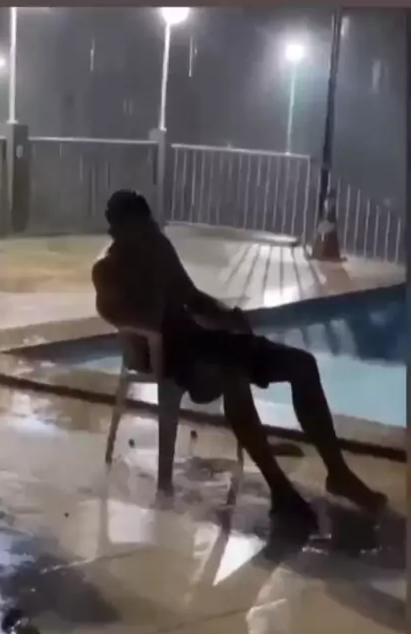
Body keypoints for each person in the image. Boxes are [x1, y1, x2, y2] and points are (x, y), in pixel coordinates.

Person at [92, 189, 386, 526]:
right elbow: (135, 317)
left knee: (302, 364)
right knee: (233, 376)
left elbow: (191, 297)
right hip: (166, 357)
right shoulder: (107, 269)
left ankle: (338, 473)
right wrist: (150, 272)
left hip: (202, 342)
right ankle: (280, 490)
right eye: (142, 228)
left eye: (150, 225)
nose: (151, 232)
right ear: (120, 229)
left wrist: (227, 315)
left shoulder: (158, 247)